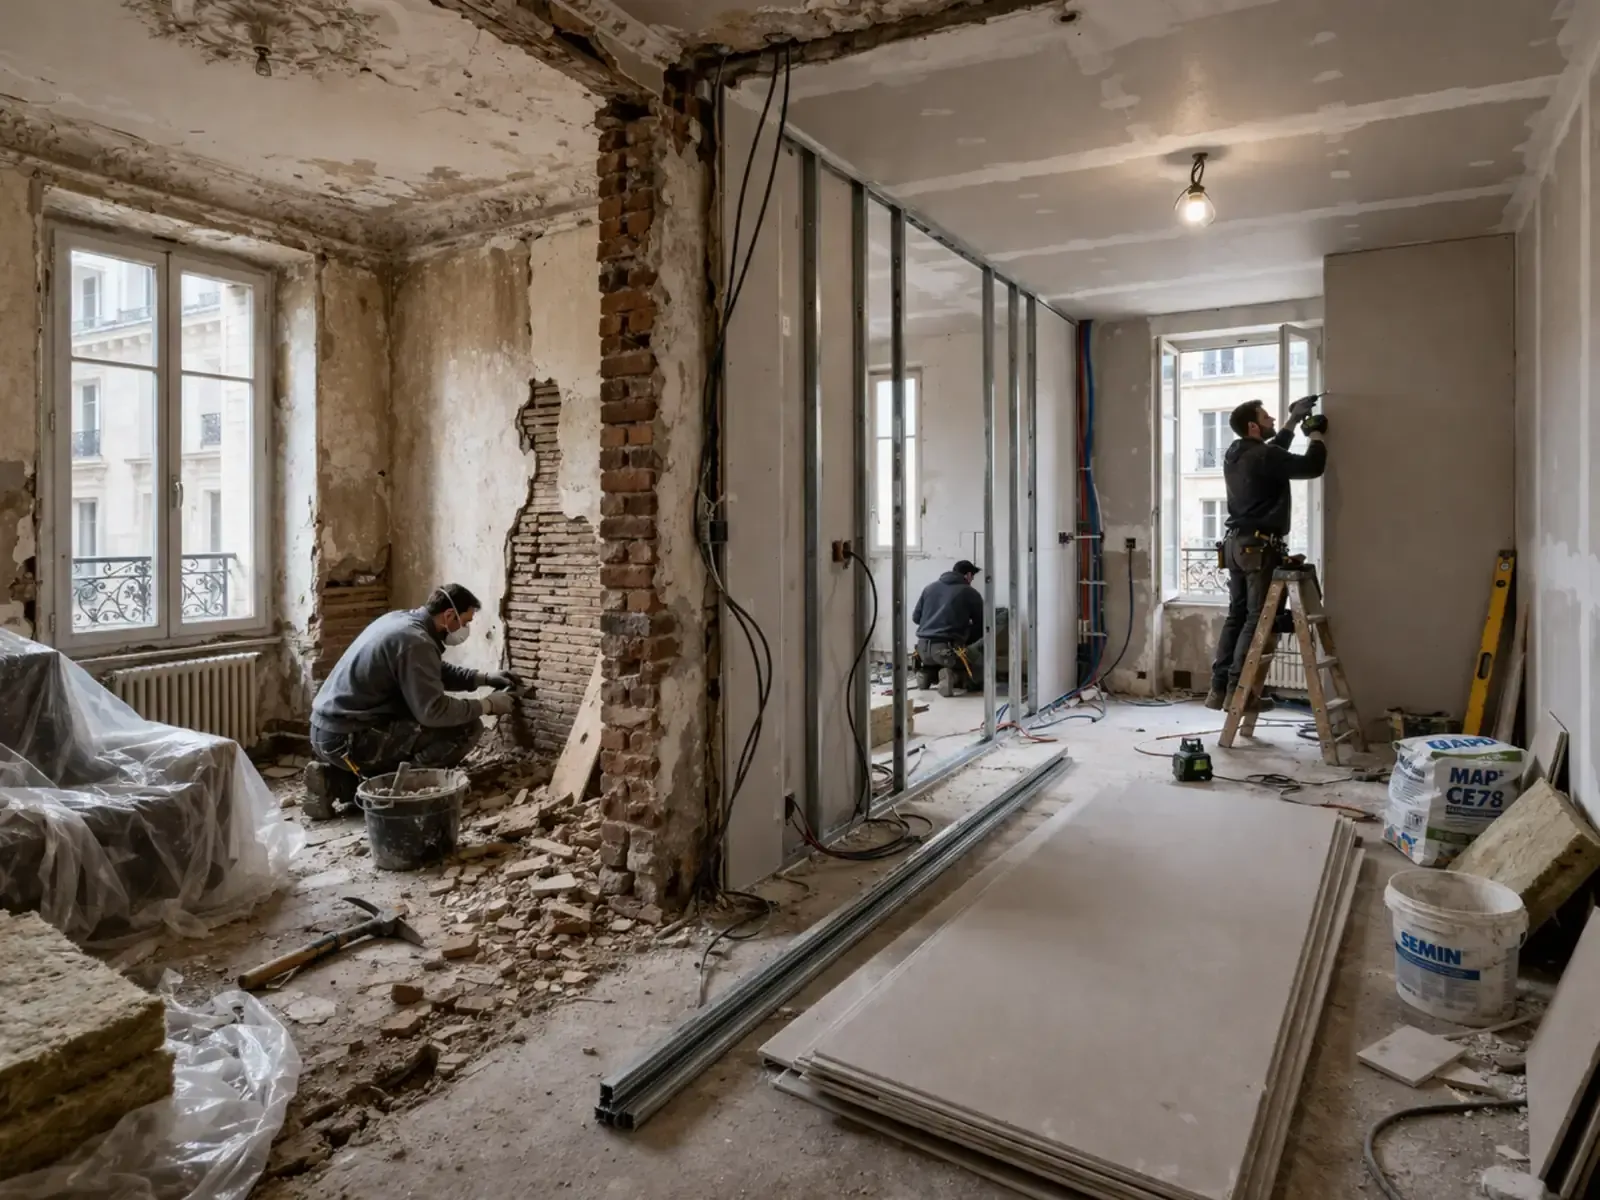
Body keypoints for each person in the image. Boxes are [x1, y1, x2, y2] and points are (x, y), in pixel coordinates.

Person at [302, 583, 518, 819]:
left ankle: (334, 781)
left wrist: (482, 678)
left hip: (326, 732)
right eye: (463, 623)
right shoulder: (416, 641)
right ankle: (397, 791)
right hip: (350, 740)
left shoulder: (400, 621)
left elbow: (431, 670)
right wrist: (487, 705)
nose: (464, 629)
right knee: (466, 728)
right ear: (448, 615)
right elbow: (433, 711)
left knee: (418, 720)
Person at [1208, 397, 1328, 712]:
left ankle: (1219, 689)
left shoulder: (1235, 453)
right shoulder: (1264, 455)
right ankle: (1240, 694)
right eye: (1266, 416)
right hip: (1260, 548)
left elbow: (1274, 452)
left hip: (1235, 545)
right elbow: (1311, 466)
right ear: (1253, 425)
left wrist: (1291, 421)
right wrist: (1315, 434)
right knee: (1255, 619)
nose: (1272, 417)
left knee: (1237, 616)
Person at [913, 560, 986, 697]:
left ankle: (927, 675)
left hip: (922, 650)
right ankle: (952, 677)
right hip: (946, 650)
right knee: (978, 664)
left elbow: (916, 618)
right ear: (968, 575)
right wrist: (966, 638)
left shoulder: (929, 588)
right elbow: (983, 624)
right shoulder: (969, 592)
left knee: (936, 661)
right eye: (972, 577)